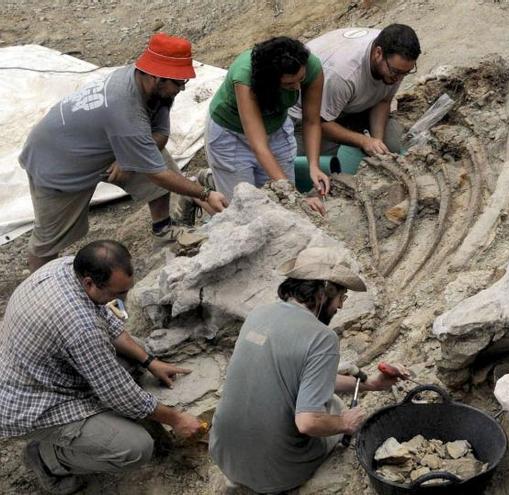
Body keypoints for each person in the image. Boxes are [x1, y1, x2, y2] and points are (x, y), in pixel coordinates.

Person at [0, 240, 203, 495]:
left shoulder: (66, 267)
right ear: (89, 283)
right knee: (135, 448)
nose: (123, 300)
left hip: (38, 370)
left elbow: (106, 321)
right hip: (33, 404)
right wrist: (176, 419)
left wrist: (150, 362)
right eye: (118, 294)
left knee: (135, 352)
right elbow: (120, 395)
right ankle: (47, 458)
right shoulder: (80, 327)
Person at [18, 33, 228, 273]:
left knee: (158, 158)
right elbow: (157, 174)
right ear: (156, 78)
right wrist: (204, 193)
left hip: (103, 145)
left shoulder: (155, 91)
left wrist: (127, 160)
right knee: (48, 240)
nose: (182, 89)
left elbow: (160, 134)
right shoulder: (124, 107)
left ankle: (164, 230)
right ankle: (40, 287)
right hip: (58, 162)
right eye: (178, 83)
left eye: (184, 82)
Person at [210, 247, 406, 493]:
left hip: (223, 453)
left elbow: (301, 378)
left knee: (317, 400)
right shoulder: (322, 337)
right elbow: (308, 423)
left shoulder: (258, 314)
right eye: (342, 297)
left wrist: (373, 385)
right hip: (275, 472)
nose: (341, 307)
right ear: (324, 292)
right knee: (332, 407)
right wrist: (344, 423)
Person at [206, 36, 329, 213]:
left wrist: (314, 166)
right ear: (270, 80)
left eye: (300, 79)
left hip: (276, 129)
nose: (296, 87)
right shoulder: (246, 77)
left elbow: (311, 121)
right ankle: (203, 190)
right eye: (288, 83)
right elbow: (259, 146)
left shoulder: (310, 67)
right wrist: (297, 197)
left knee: (283, 203)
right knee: (244, 208)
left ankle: (215, 179)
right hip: (231, 134)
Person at [290, 24, 421, 157]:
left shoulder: (394, 61)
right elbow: (317, 122)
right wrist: (364, 141)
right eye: (396, 72)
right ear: (378, 53)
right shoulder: (343, 74)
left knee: (397, 142)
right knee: (329, 161)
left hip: (348, 105)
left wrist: (377, 142)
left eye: (406, 72)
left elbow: (383, 100)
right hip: (307, 116)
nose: (399, 78)